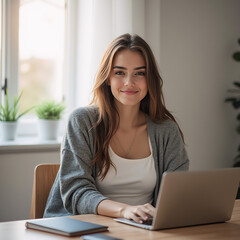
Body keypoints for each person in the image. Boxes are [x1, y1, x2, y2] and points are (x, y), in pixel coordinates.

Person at [43, 33, 189, 223]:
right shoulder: (82, 121)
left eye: (140, 73)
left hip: (142, 230)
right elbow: (76, 191)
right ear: (108, 78)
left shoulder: (166, 130)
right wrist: (125, 210)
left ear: (150, 79)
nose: (129, 82)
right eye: (119, 72)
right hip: (84, 228)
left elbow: (176, 193)